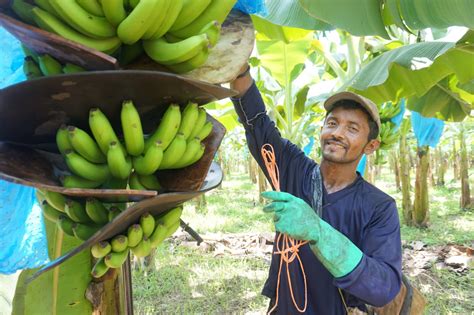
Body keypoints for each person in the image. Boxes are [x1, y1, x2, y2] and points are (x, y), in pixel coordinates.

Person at [230, 65, 402, 314]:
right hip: (284, 307)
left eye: (352, 129)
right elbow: (257, 123)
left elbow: (383, 287)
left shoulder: (379, 207)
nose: (337, 133)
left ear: (370, 146)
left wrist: (319, 232)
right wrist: (239, 69)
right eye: (332, 123)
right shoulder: (293, 168)